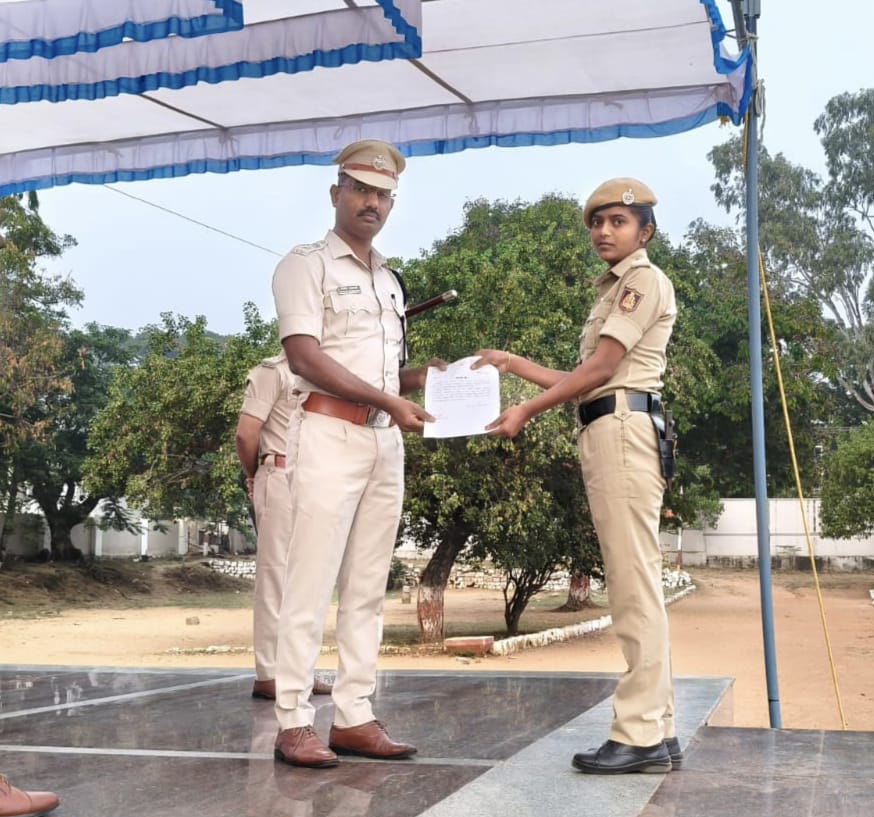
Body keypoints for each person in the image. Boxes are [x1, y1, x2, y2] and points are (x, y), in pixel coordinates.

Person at [475, 178, 681, 775]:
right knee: (637, 580)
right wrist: (512, 365)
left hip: (622, 429)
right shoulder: (616, 289)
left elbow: (603, 367)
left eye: (618, 221)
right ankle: (657, 729)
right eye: (597, 223)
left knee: (632, 584)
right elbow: (583, 373)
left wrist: (525, 412)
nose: (603, 232)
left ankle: (640, 732)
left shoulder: (642, 280)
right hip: (609, 425)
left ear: (645, 229)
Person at [270, 139, 436, 769]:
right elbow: (306, 357)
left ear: (393, 202)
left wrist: (430, 378)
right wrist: (391, 399)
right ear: (336, 193)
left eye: (383, 194)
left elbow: (389, 371)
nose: (371, 202)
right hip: (328, 434)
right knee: (310, 581)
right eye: (361, 189)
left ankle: (355, 715)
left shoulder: (389, 278)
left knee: (368, 584)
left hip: (383, 442)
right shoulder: (305, 266)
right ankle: (293, 721)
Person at [234, 355, 333, 701]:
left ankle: (299, 671)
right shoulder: (271, 371)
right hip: (278, 472)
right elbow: (246, 434)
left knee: (308, 580)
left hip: (315, 477)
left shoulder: (325, 372)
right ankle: (270, 674)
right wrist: (253, 475)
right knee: (276, 576)